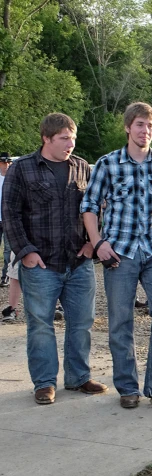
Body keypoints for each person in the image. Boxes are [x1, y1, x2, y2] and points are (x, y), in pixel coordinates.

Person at [81, 102, 152, 409]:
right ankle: (128, 388)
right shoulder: (108, 163)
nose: (145, 130)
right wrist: (99, 243)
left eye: (150, 126)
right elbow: (89, 206)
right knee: (120, 321)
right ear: (128, 127)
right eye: (139, 124)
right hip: (119, 252)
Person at [3, 113, 106, 405]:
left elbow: (98, 208)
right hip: (40, 263)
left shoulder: (82, 167)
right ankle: (45, 383)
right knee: (40, 324)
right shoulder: (22, 169)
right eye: (64, 138)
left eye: (72, 138)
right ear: (46, 138)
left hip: (78, 262)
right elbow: (9, 214)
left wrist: (91, 245)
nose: (70, 144)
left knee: (82, 322)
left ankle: (78, 378)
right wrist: (26, 252)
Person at [0, 152, 11, 287]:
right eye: (3, 162)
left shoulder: (12, 178)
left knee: (8, 250)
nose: (6, 165)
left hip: (8, 219)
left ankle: (5, 276)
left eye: (8, 162)